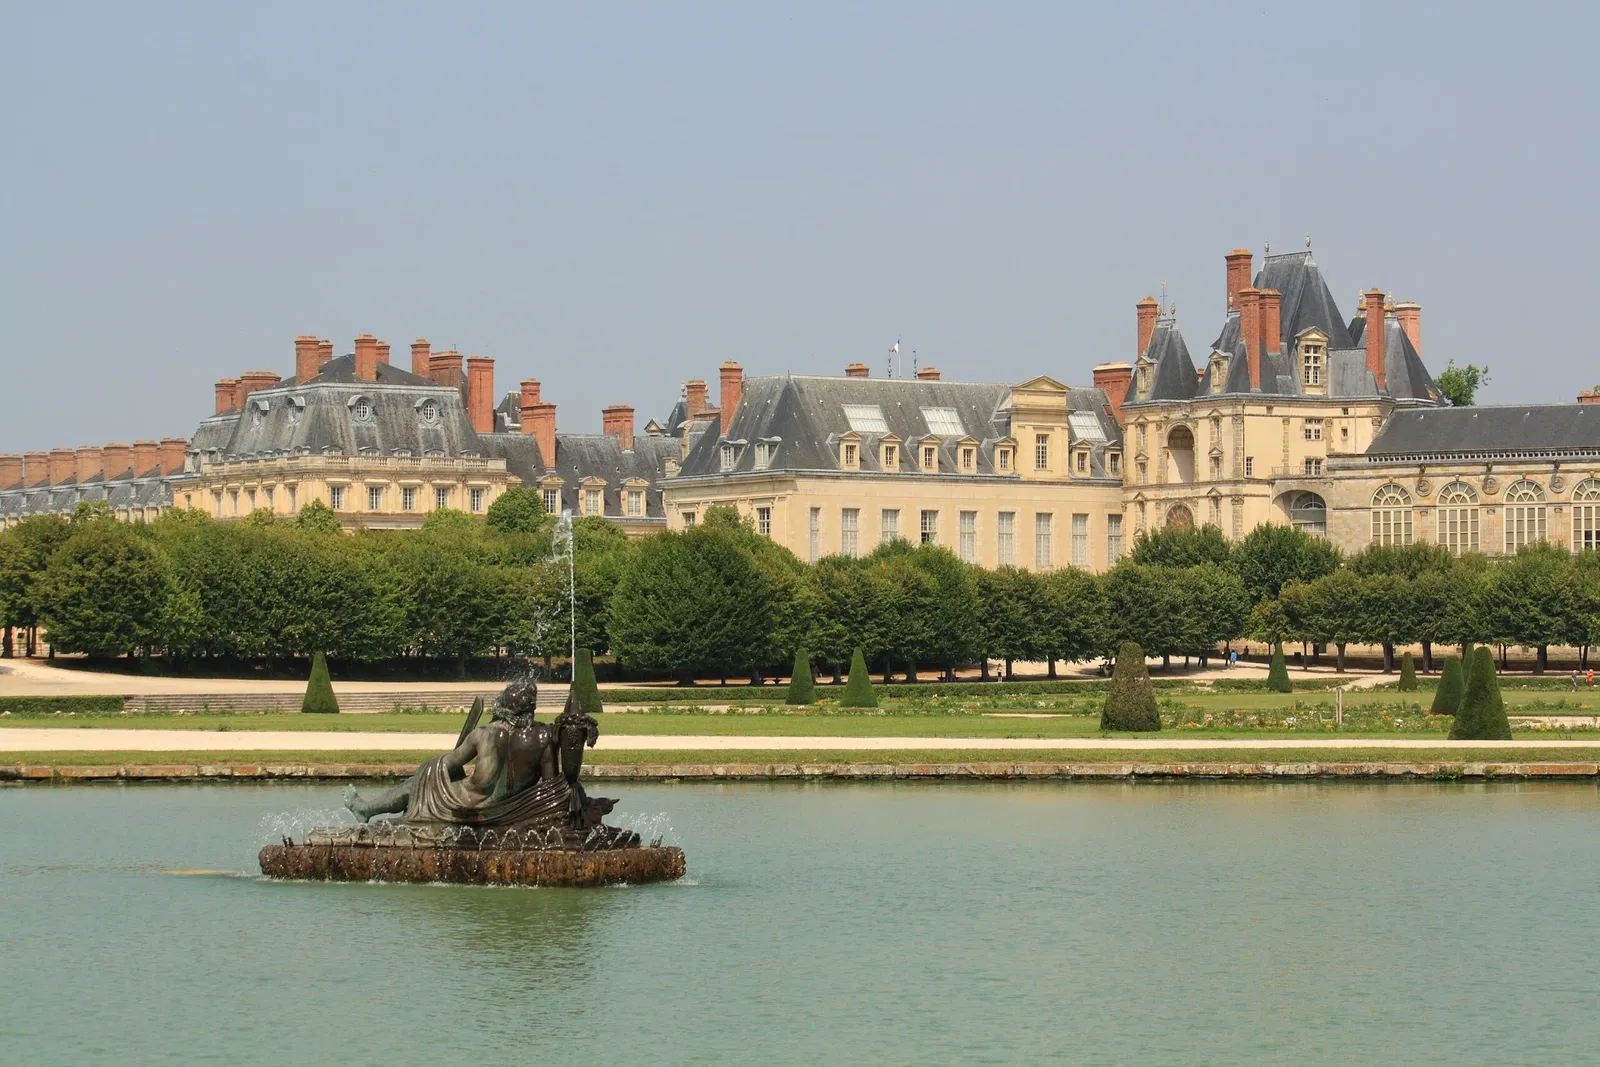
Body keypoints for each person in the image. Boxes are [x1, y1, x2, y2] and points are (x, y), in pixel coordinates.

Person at [344, 678, 556, 823]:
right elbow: (550, 786)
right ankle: (367, 810)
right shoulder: (541, 738)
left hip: (467, 801)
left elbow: (449, 762)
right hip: (504, 804)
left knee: (422, 778)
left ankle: (366, 810)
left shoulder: (485, 733)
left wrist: (432, 767)